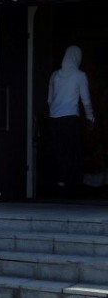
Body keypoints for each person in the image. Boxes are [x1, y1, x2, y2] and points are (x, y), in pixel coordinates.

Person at [47, 45, 95, 191]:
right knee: (72, 151)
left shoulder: (54, 75)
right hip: (71, 119)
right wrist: (90, 118)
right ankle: (73, 185)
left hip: (54, 119)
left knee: (58, 151)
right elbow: (86, 100)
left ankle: (59, 182)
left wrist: (54, 112)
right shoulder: (80, 76)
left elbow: (49, 100)